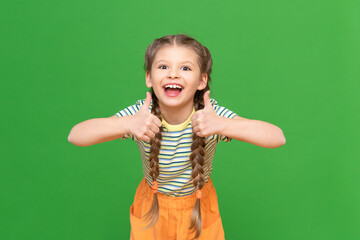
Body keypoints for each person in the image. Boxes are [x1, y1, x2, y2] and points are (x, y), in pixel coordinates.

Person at [68, 33, 286, 240]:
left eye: (185, 68)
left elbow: (277, 137)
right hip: (151, 209)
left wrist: (223, 125)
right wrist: (127, 123)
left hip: (199, 209)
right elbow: (76, 135)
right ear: (149, 78)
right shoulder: (141, 114)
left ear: (202, 81)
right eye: (163, 66)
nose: (173, 74)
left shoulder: (210, 114)